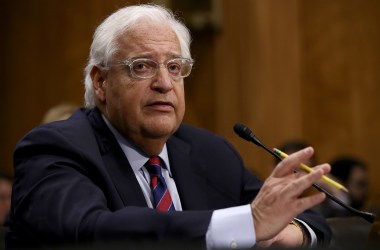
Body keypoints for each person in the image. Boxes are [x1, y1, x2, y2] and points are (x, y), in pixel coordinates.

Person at [5, 4, 332, 249]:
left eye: (175, 67)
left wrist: (292, 234)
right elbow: (94, 230)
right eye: (142, 66)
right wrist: (246, 224)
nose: (164, 83)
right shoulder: (55, 148)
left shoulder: (209, 152)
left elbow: (298, 218)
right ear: (101, 81)